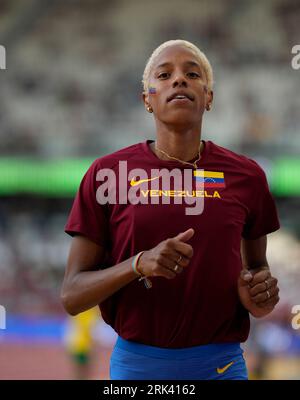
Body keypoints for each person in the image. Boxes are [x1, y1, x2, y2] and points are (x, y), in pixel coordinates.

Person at [61, 39, 280, 380]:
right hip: (137, 367)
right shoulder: (106, 174)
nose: (179, 80)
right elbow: (72, 295)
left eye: (192, 74)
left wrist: (258, 294)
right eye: (164, 74)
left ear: (208, 97)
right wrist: (138, 264)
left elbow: (257, 275)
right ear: (146, 100)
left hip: (221, 366)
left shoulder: (247, 176)